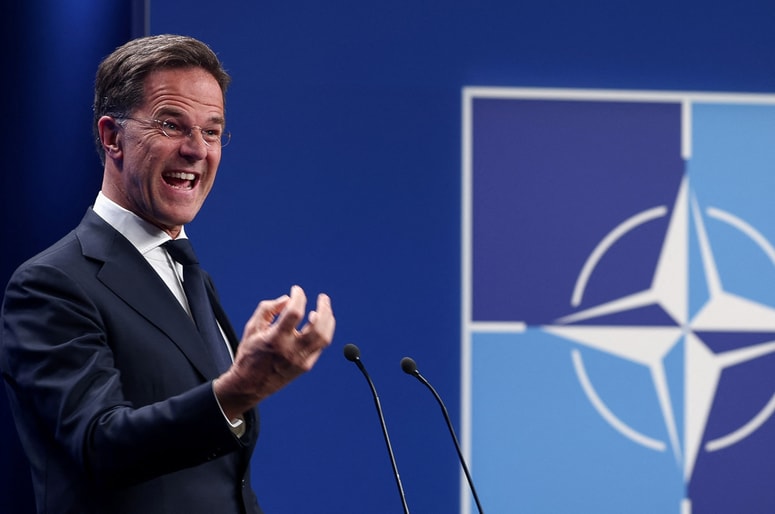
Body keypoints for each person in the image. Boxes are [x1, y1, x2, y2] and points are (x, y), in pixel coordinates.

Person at [0, 34, 335, 514]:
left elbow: (222, 480)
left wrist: (238, 383)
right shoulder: (52, 284)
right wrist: (239, 387)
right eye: (171, 125)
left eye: (213, 131)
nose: (197, 150)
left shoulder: (187, 271)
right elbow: (101, 445)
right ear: (112, 136)